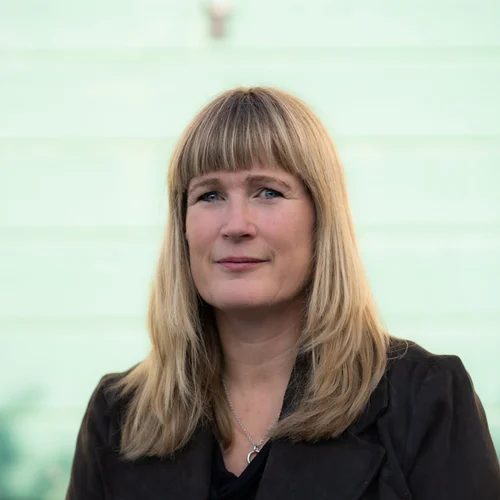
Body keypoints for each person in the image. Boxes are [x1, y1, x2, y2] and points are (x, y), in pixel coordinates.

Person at [66, 87, 500, 499]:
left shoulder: (424, 399)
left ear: (320, 218)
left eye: (268, 192)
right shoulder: (118, 416)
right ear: (182, 226)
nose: (236, 225)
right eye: (210, 195)